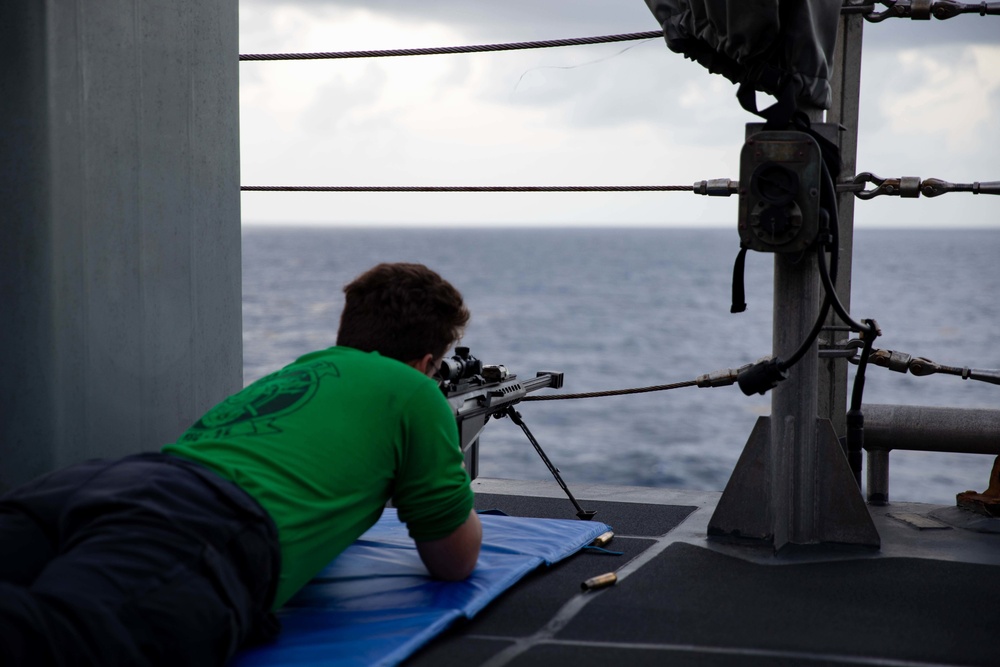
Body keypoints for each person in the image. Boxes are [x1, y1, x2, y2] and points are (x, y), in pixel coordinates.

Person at [0, 262, 482, 666]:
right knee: (50, 644)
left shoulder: (297, 371)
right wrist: (442, 461)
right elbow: (453, 562)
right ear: (425, 363)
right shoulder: (416, 390)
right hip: (201, 525)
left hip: (101, 483)